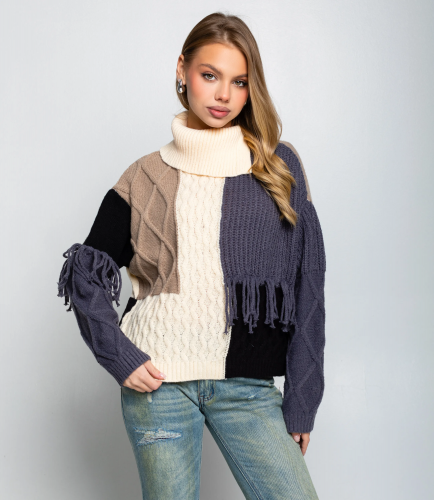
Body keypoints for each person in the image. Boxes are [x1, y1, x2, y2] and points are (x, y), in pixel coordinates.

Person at [57, 12, 326, 500]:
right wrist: (119, 355)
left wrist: (302, 399)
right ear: (182, 70)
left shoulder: (278, 166)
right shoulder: (145, 176)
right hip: (158, 386)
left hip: (247, 387)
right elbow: (84, 273)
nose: (223, 95)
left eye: (239, 82)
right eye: (210, 75)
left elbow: (309, 282)